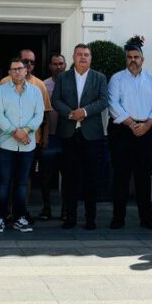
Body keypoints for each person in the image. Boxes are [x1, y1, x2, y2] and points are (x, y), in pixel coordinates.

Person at [107, 42, 152, 230]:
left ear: (142, 59)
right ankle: (118, 217)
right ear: (126, 59)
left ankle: (146, 218)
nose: (133, 60)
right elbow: (113, 104)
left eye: (136, 57)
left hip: (147, 131)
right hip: (123, 131)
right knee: (121, 176)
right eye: (130, 57)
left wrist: (147, 124)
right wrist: (132, 124)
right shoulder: (116, 79)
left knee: (143, 176)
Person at [49, 43, 108, 230]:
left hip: (91, 135)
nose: (83, 57)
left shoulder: (99, 77)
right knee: (69, 177)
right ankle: (70, 217)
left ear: (91, 58)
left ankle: (90, 219)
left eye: (86, 54)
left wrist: (84, 111)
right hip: (68, 133)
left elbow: (103, 100)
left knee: (91, 177)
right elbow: (55, 100)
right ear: (73, 57)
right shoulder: (63, 78)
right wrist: (70, 114)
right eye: (79, 54)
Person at [0, 59, 43, 233]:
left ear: (26, 70)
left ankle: (20, 217)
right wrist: (15, 132)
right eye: (14, 70)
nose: (18, 72)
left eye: (20, 69)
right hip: (6, 144)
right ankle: (0, 217)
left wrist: (26, 130)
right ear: (9, 72)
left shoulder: (36, 91)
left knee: (21, 183)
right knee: (3, 182)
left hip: (27, 146)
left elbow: (39, 115)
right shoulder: (1, 91)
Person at [36, 53, 68, 221]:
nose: (59, 67)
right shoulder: (43, 85)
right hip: (49, 136)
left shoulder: (71, 84)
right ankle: (46, 208)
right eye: (55, 64)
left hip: (67, 137)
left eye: (61, 64)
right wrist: (44, 135)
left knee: (68, 175)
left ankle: (65, 210)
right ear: (50, 66)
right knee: (45, 175)